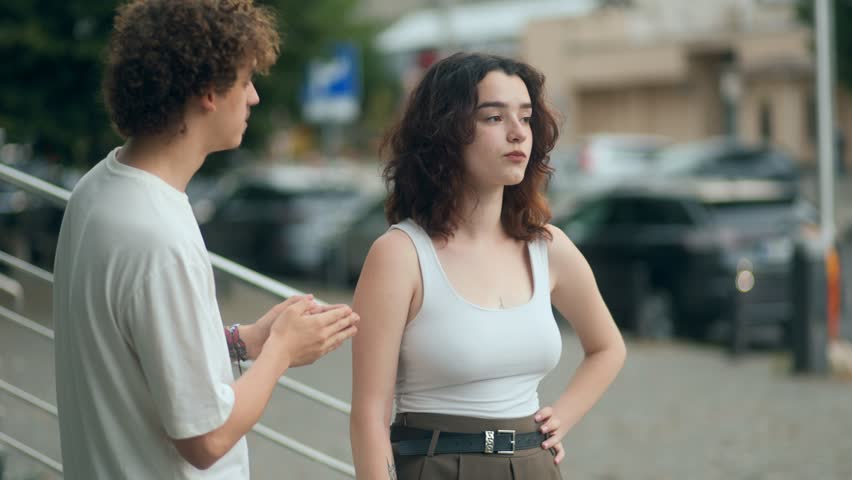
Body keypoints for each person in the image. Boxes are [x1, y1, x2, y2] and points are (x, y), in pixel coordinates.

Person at [52, 1, 358, 478]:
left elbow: (140, 345)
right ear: (206, 93)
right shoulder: (158, 236)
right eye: (245, 79)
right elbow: (207, 439)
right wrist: (281, 352)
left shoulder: (97, 189)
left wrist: (245, 341)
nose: (254, 96)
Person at [350, 52, 626, 479]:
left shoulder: (547, 247)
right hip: (435, 464)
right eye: (494, 118)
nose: (518, 133)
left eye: (526, 117)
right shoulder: (401, 254)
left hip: (533, 466)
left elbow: (608, 347)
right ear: (445, 132)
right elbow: (369, 415)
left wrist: (562, 418)